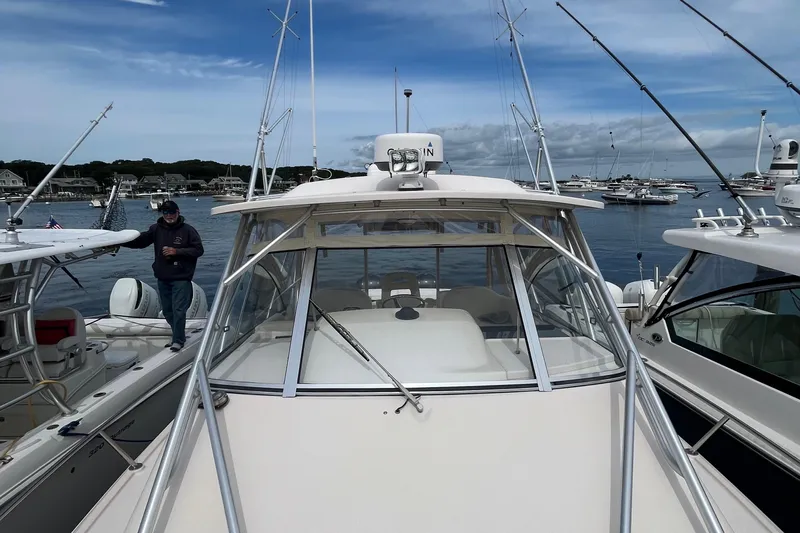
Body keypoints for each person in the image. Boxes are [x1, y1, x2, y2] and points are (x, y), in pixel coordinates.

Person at [121, 200, 204, 351]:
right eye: (166, 213)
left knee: (179, 310)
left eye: (172, 212)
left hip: (181, 278)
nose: (169, 216)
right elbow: (140, 242)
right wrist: (120, 241)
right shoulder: (156, 229)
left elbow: (198, 250)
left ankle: (178, 340)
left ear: (178, 212)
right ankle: (178, 336)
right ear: (162, 214)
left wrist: (177, 251)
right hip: (163, 277)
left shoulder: (188, 230)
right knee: (167, 311)